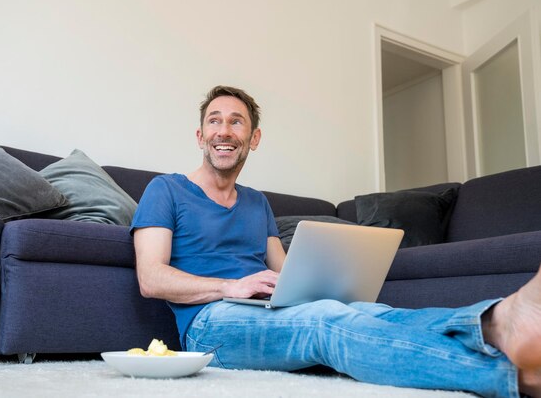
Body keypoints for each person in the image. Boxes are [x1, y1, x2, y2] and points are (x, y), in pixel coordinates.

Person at [130, 85, 541, 397]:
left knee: (368, 311)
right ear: (200, 135)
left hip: (261, 310)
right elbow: (151, 278)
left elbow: (284, 272)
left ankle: (495, 322)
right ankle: (513, 373)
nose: (224, 130)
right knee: (323, 324)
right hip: (209, 327)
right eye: (215, 120)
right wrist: (228, 287)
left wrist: (325, 284)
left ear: (253, 138)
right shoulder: (165, 190)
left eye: (236, 121)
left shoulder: (257, 204)